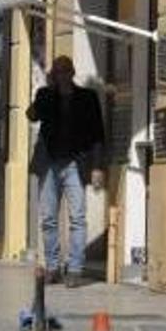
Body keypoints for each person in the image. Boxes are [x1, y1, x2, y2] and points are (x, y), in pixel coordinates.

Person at [27, 55, 105, 288]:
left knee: (78, 218)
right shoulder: (45, 96)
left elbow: (98, 135)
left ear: (72, 72)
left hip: (75, 164)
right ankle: (52, 267)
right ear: (54, 75)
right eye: (57, 72)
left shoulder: (87, 98)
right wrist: (48, 88)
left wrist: (98, 167)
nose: (62, 75)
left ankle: (75, 269)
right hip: (49, 163)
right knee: (49, 218)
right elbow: (31, 115)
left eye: (65, 71)